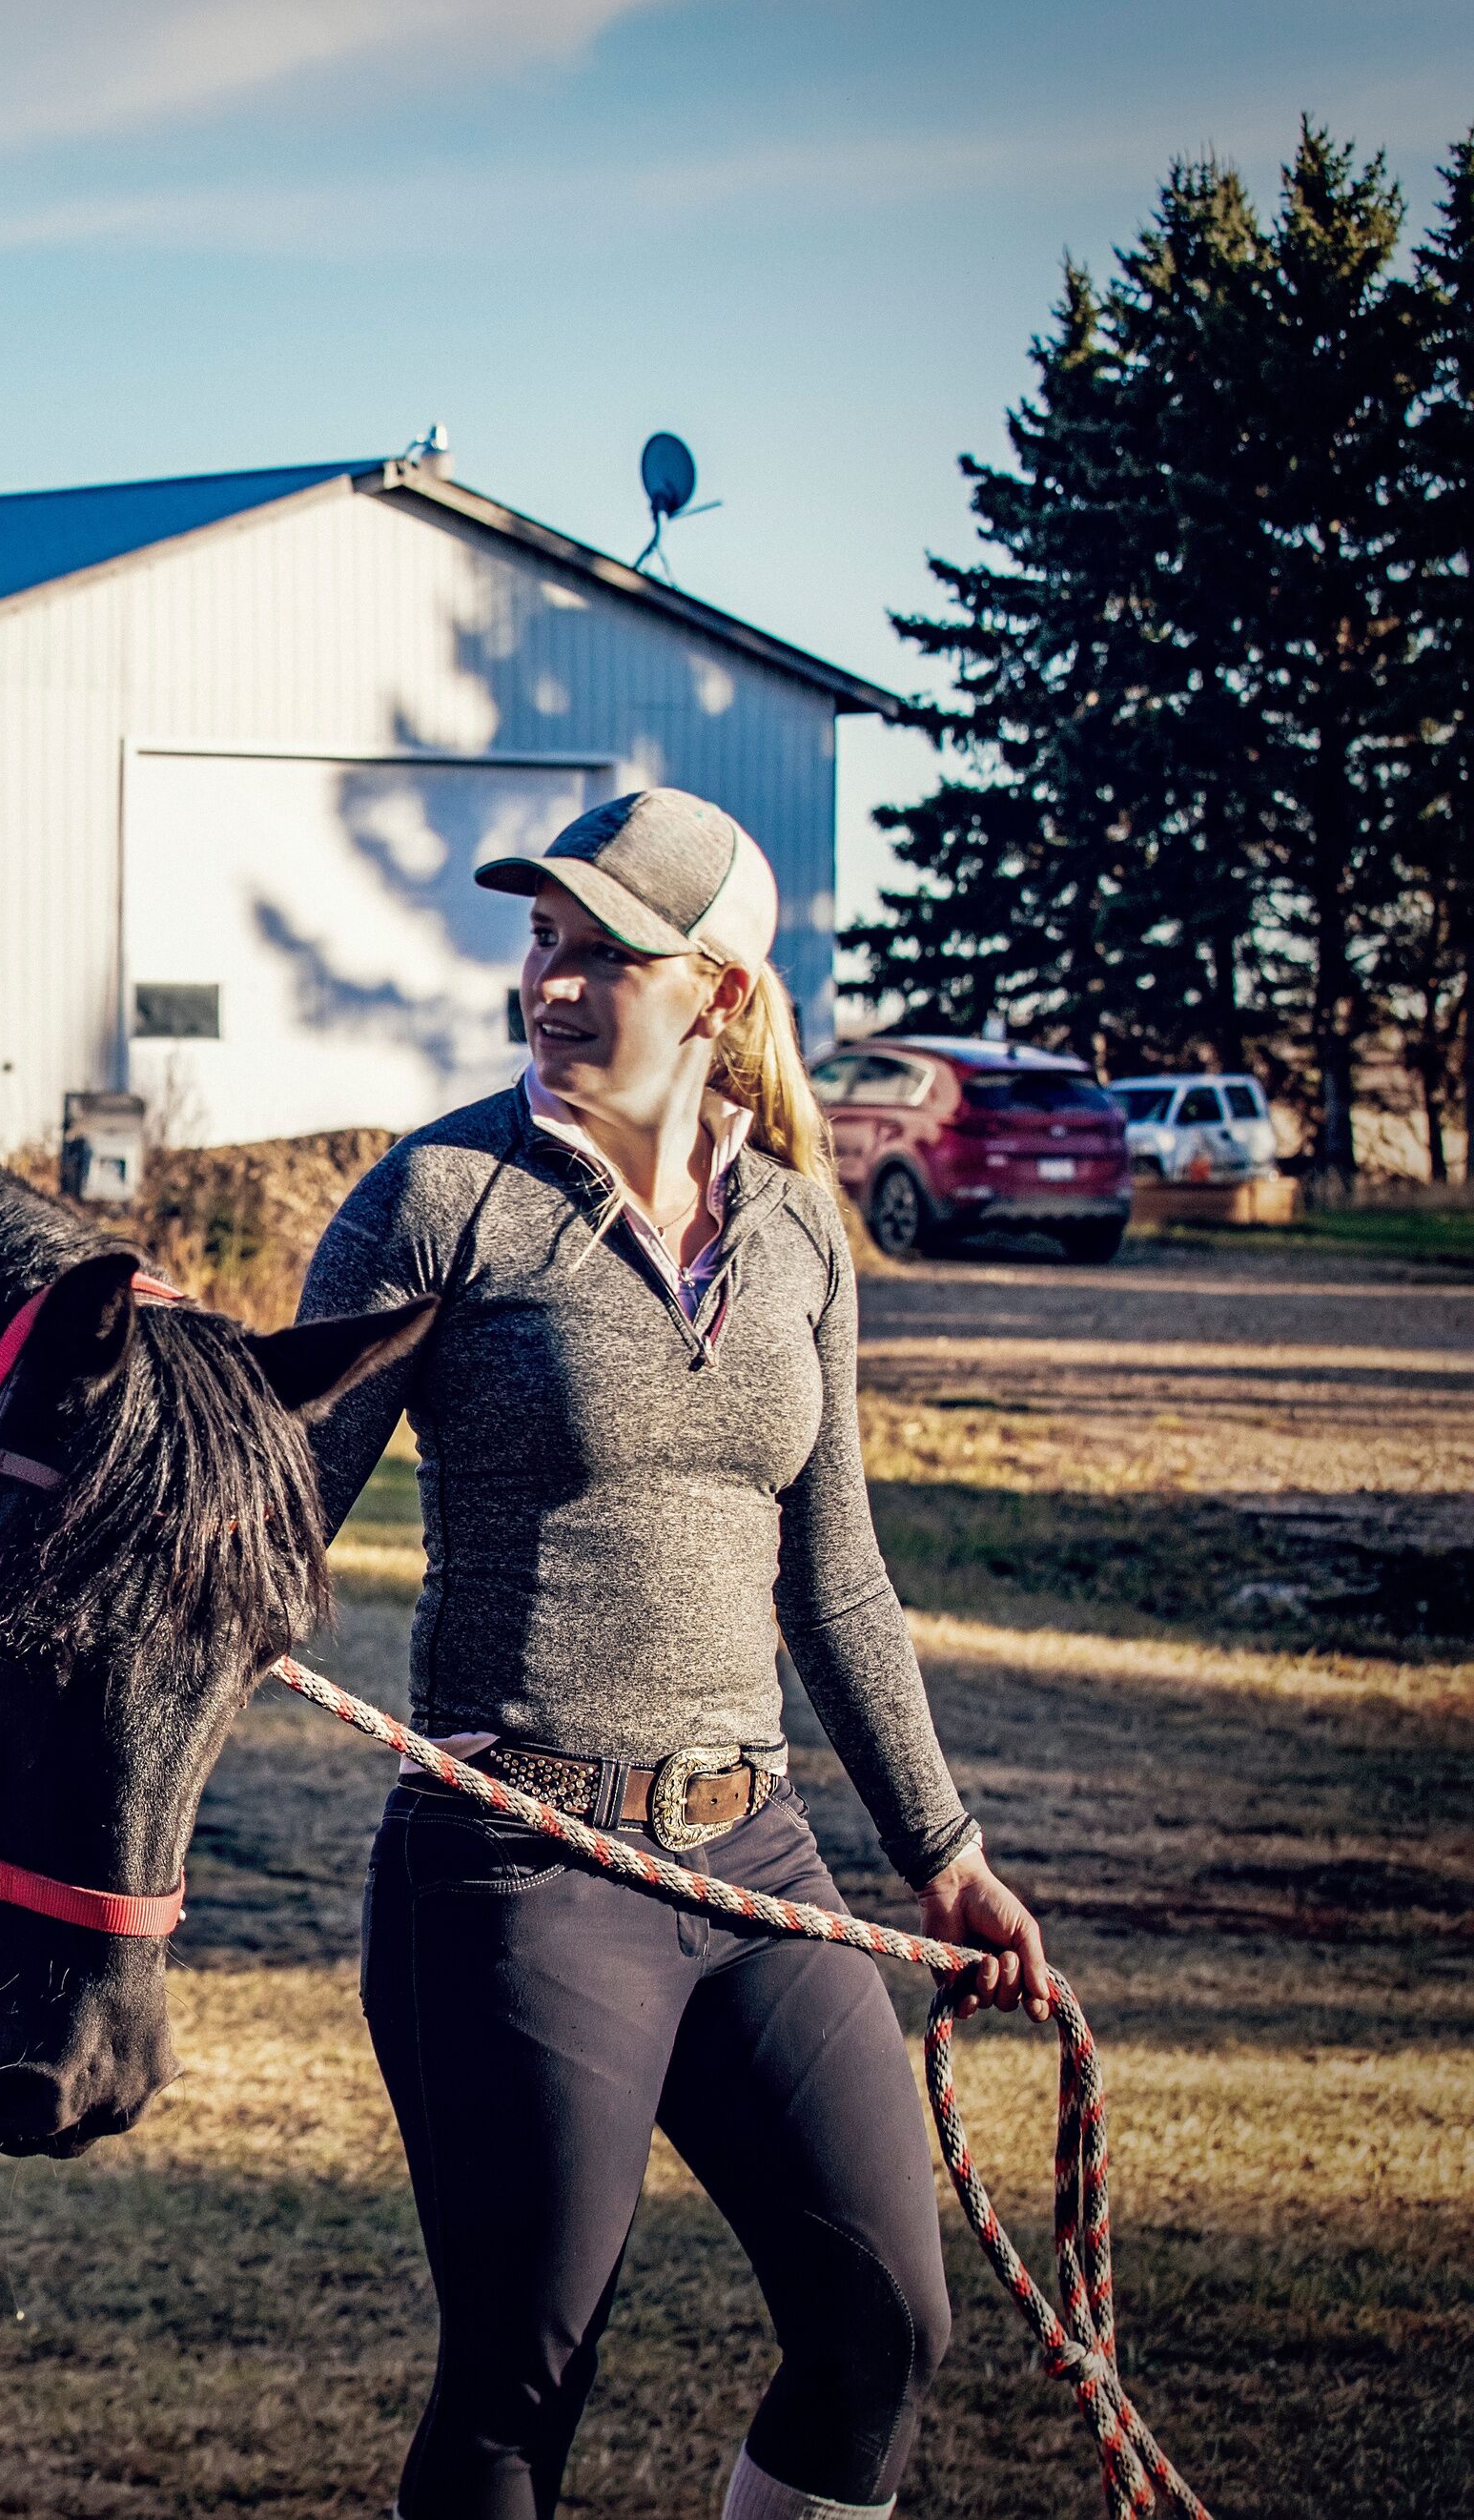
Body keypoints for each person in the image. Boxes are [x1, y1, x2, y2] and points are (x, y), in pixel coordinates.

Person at [294, 787, 1052, 2520]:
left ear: (714, 989)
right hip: (516, 1864)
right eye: (539, 944)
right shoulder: (438, 1203)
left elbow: (838, 1572)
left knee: (884, 2327)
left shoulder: (794, 1232)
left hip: (749, 1853)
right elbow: (266, 1528)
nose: (547, 986)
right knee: (519, 2384)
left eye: (598, 953)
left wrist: (947, 1858)